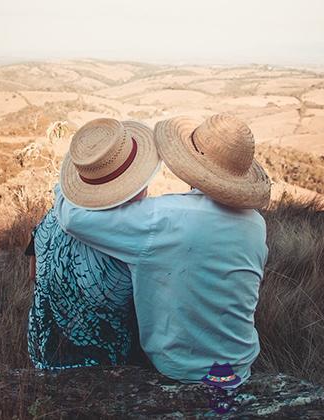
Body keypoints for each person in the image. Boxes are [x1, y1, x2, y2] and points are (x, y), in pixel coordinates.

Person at [53, 113, 271, 388]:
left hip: (183, 368)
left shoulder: (164, 218)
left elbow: (74, 218)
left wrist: (68, 183)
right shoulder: (256, 224)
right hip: (238, 365)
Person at [26, 117, 161, 370]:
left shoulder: (49, 219)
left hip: (43, 357)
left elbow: (32, 275)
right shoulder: (135, 235)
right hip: (110, 366)